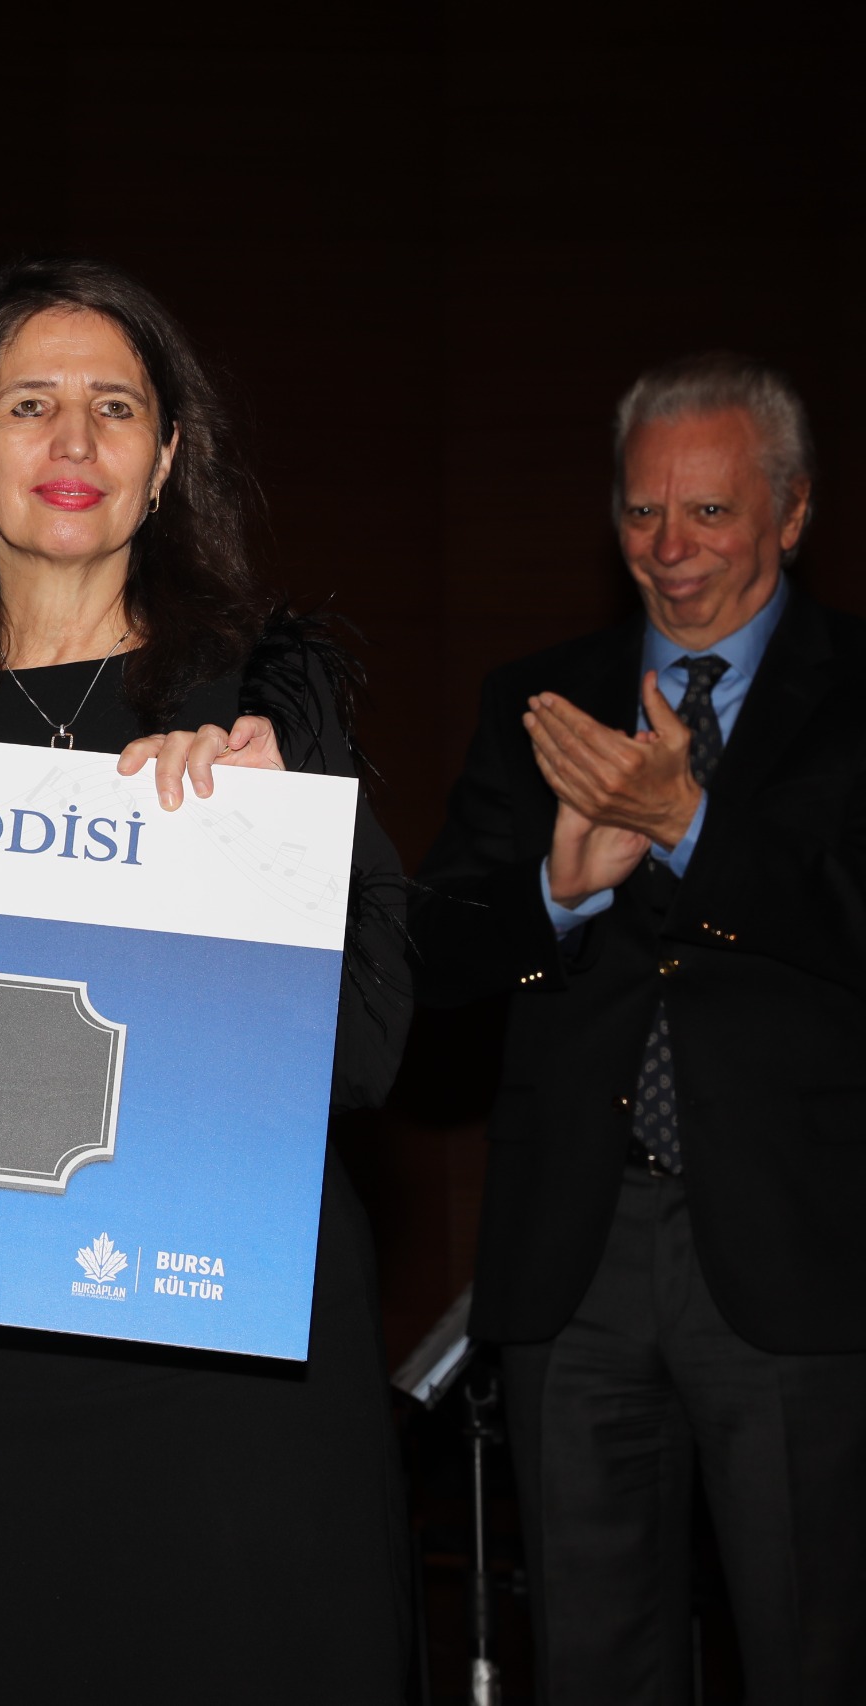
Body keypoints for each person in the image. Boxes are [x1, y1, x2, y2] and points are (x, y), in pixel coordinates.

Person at [0, 257, 415, 1700]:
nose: (73, 440)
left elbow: (370, 1051)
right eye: (29, 405)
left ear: (168, 457)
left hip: (228, 1387)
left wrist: (260, 852)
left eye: (116, 407)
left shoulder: (266, 705)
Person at [415, 353, 866, 1704]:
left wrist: (691, 827)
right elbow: (433, 956)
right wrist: (557, 892)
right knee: (594, 1663)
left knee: (812, 1653)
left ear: (793, 513)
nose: (669, 549)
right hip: (577, 1251)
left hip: (797, 1249)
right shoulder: (539, 700)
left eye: (710, 512)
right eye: (641, 511)